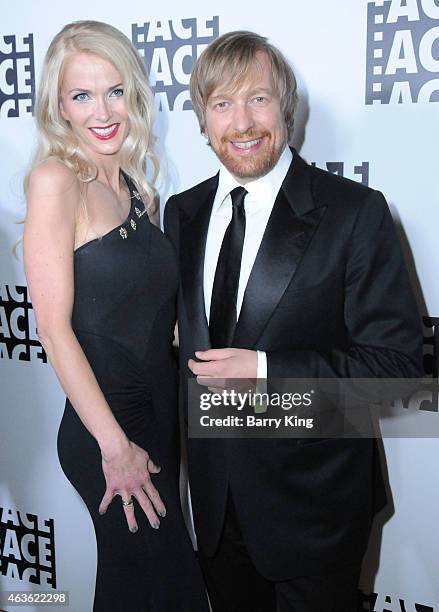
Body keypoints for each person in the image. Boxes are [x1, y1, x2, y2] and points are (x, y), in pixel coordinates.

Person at [164, 31, 422, 611]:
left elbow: (396, 368)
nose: (242, 122)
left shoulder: (356, 212)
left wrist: (263, 371)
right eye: (222, 104)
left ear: (287, 108)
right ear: (202, 120)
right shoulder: (181, 215)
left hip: (317, 512)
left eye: (258, 98)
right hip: (213, 510)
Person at [23, 20, 208, 612]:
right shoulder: (56, 182)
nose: (101, 111)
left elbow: (150, 311)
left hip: (158, 421)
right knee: (160, 584)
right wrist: (115, 448)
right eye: (81, 95)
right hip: (107, 430)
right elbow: (53, 329)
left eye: (114, 91)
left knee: (144, 586)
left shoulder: (138, 188)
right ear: (59, 105)